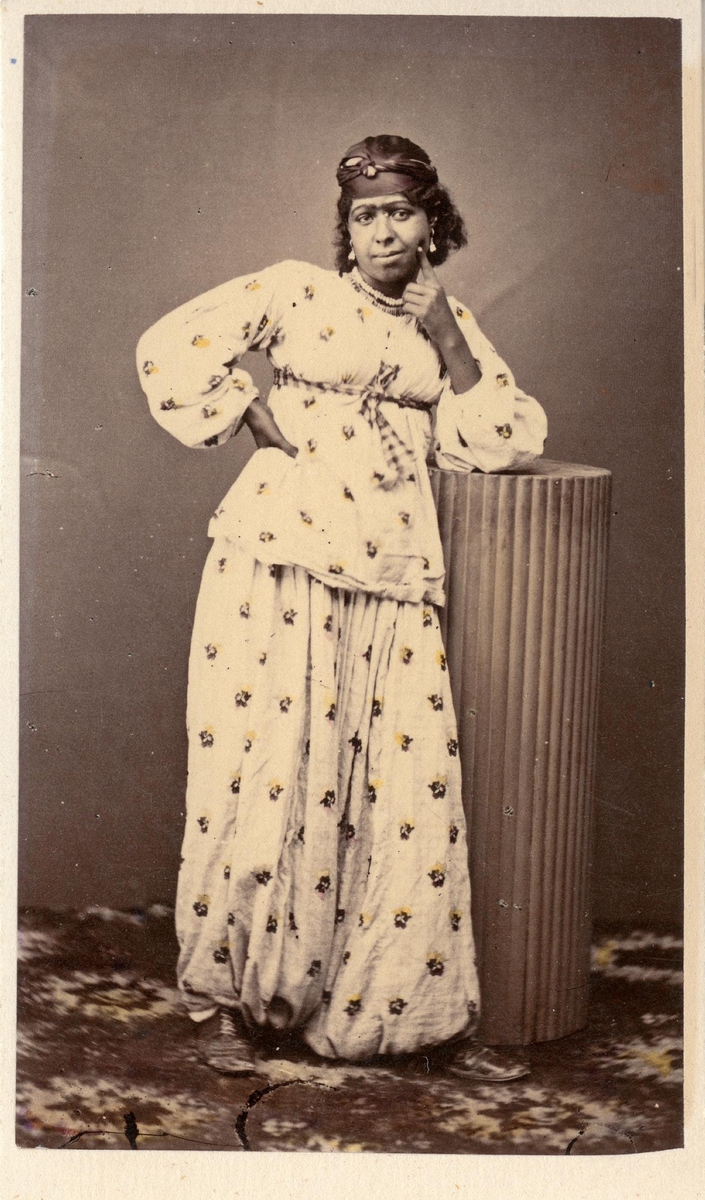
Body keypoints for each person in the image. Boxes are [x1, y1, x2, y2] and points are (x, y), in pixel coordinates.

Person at [136, 135, 547, 1082]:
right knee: (269, 768)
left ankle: (394, 1019)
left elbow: (501, 440)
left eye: (400, 212)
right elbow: (170, 348)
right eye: (365, 217)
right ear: (345, 229)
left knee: (392, 788)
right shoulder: (295, 292)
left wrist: (447, 339)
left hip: (395, 567)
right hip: (286, 554)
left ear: (432, 223)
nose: (382, 231)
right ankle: (233, 1001)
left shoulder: (450, 322)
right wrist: (249, 411)